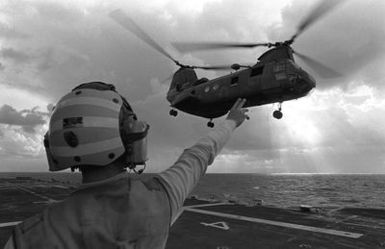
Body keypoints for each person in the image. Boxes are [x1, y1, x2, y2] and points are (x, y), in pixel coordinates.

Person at [4, 82, 249, 249]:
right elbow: (200, 155)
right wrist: (231, 122)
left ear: (55, 145)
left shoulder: (27, 237)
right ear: (132, 134)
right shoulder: (162, 196)